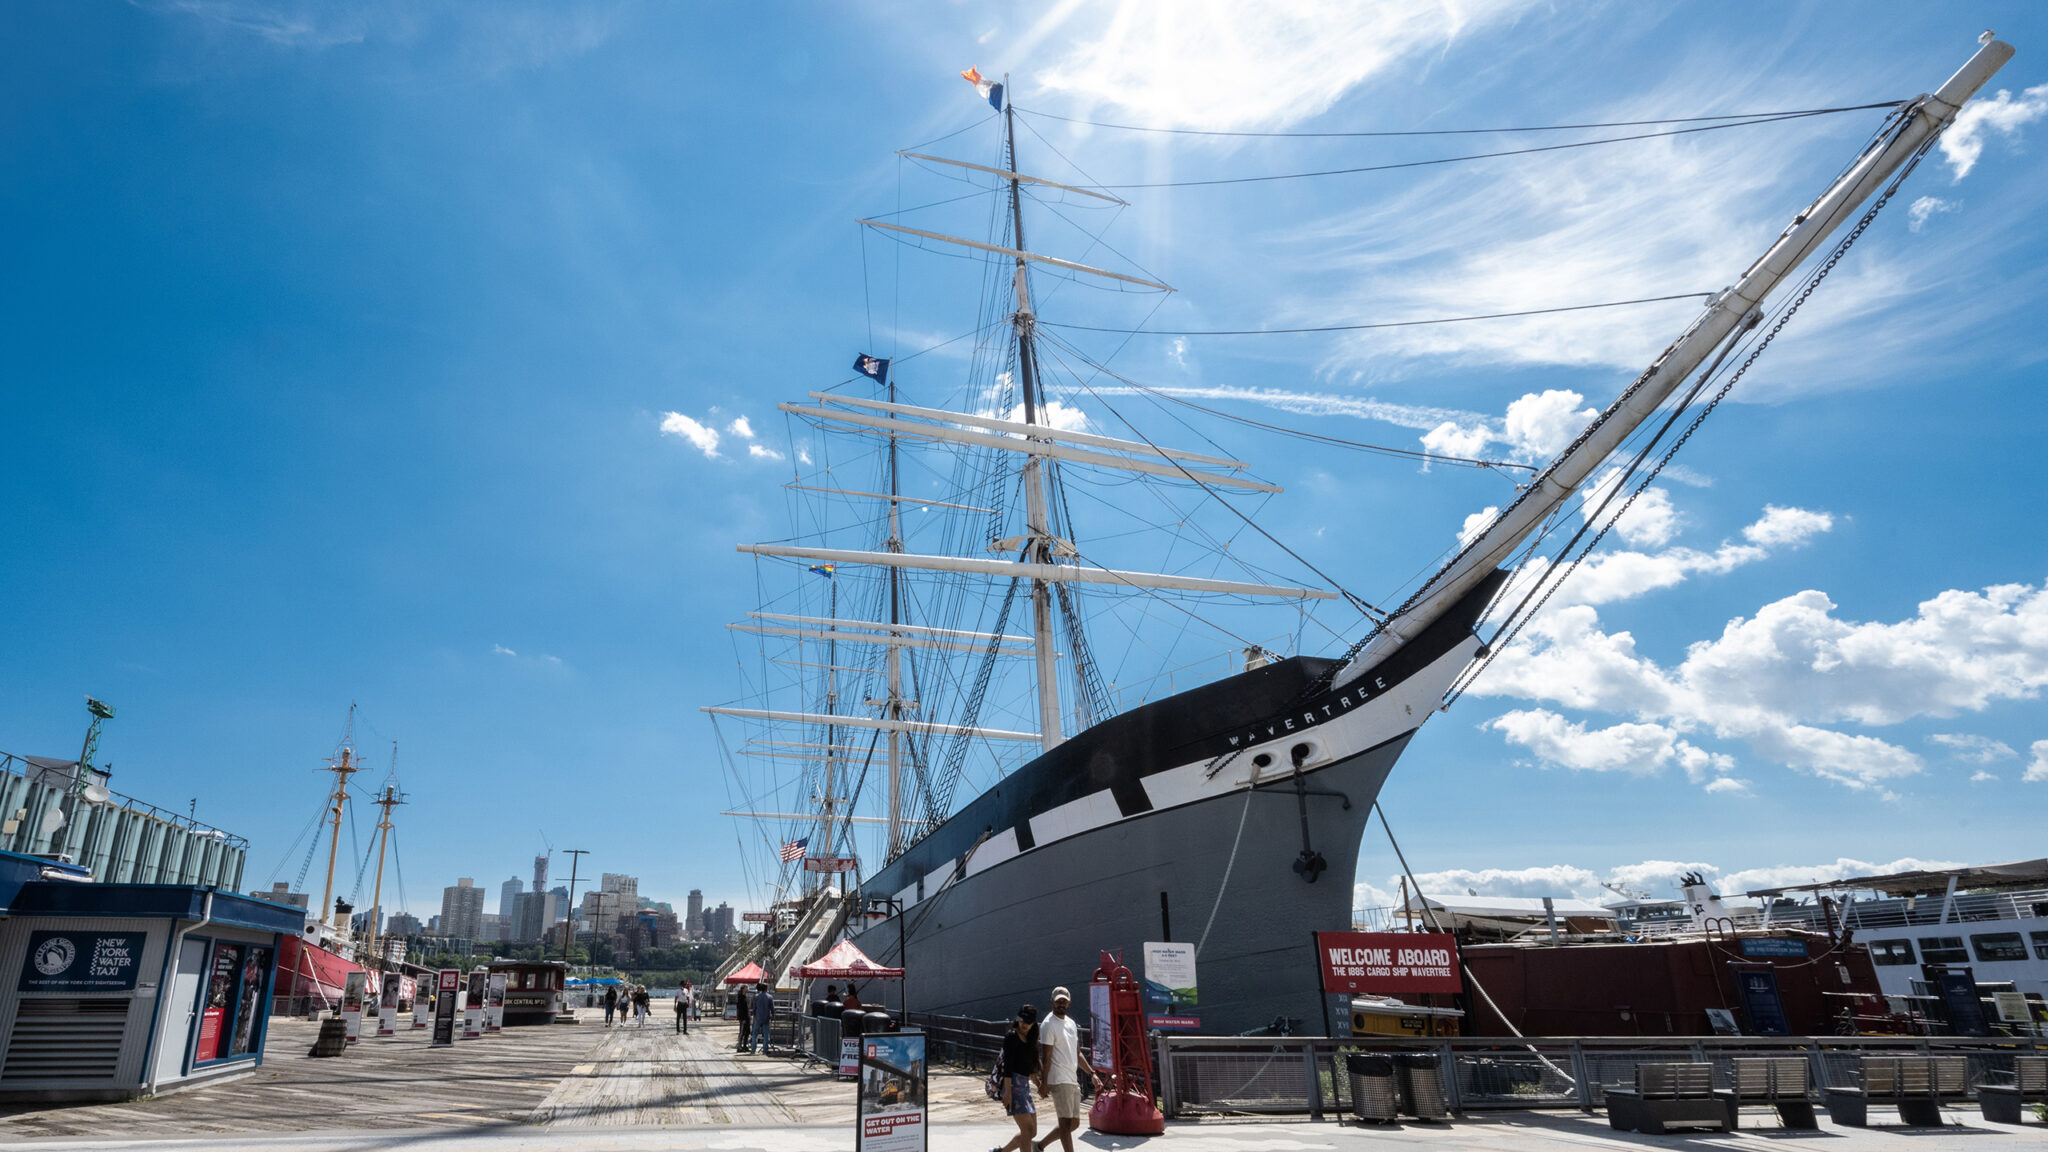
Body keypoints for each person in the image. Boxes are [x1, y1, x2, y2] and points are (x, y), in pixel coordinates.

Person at [1033, 987, 1096, 1152]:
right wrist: (1043, 1083)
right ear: (1052, 1001)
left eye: (1064, 1001)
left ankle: (1039, 1146)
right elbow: (1045, 1057)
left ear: (1069, 1003)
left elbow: (1077, 1052)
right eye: (1058, 1000)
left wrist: (1092, 1073)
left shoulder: (1071, 1023)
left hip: (1071, 1077)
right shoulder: (1048, 1024)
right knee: (1066, 1123)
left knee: (1074, 1123)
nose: (1061, 1004)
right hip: (1058, 1078)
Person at [996, 1005, 1040, 1152]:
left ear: (1034, 1023)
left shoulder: (1030, 1039)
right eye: (1022, 1021)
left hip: (1024, 1086)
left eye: (1028, 1022)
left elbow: (1030, 1065)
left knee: (1032, 1131)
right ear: (1018, 1020)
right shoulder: (1011, 1037)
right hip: (1013, 1085)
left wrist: (1039, 1083)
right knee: (1027, 1130)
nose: (1024, 1025)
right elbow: (1007, 1067)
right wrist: (1008, 1093)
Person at [751, 982, 775, 1055]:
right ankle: (765, 1050)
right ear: (766, 989)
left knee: (754, 1034)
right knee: (766, 1035)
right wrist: (773, 1016)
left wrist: (753, 1015)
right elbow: (772, 1008)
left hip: (758, 1017)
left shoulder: (756, 996)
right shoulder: (770, 997)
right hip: (766, 1018)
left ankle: (753, 1049)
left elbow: (754, 1008)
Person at [735, 983, 751, 1050]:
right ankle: (739, 1046)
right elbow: (740, 1009)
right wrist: (743, 1018)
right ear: (743, 989)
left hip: (747, 1017)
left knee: (747, 1031)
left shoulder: (745, 997)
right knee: (742, 1032)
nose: (748, 989)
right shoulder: (740, 997)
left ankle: (745, 1045)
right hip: (743, 1018)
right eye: (747, 988)